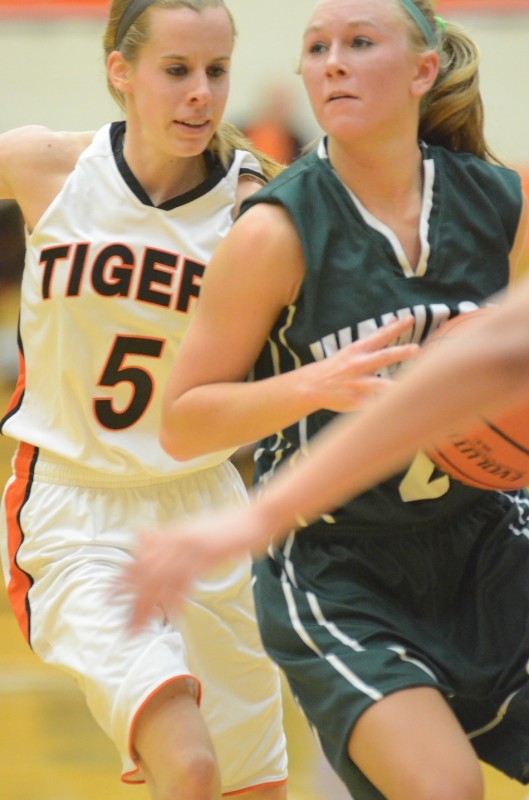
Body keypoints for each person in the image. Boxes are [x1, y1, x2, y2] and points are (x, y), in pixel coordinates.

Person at [119, 1, 529, 799]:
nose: (332, 62)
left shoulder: (497, 201)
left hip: (487, 540)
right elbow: (182, 419)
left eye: (358, 44)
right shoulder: (277, 231)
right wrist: (309, 386)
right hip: (340, 568)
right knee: (445, 790)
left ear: (422, 71)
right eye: (316, 48)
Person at [0, 2, 300, 798]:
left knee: (251, 783)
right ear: (120, 73)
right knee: (191, 767)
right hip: (74, 509)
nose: (200, 93)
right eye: (176, 71)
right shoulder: (45, 166)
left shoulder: (259, 209)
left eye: (215, 71)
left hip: (207, 507)